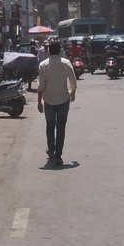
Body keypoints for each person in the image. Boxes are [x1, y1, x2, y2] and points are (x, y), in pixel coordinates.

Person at [37, 39, 77, 167]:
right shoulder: (66, 63)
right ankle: (58, 155)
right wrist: (72, 92)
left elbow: (41, 86)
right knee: (61, 127)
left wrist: (39, 102)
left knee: (50, 126)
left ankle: (51, 150)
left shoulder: (43, 65)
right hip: (63, 100)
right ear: (60, 50)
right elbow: (73, 81)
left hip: (48, 100)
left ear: (48, 51)